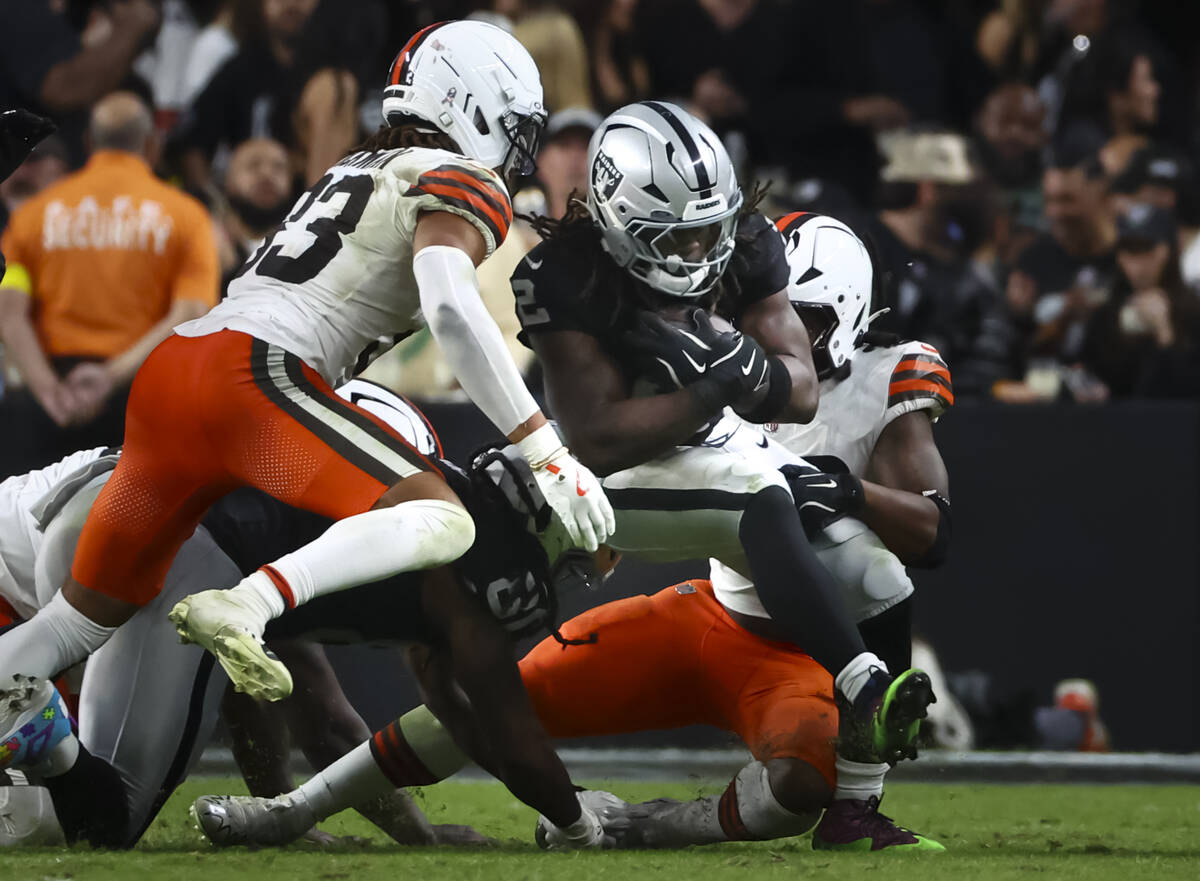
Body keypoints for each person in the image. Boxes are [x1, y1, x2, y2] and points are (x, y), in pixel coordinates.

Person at [0, 25, 614, 852]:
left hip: (175, 381)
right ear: (474, 107)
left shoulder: (350, 169)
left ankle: (39, 727)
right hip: (247, 382)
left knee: (62, 649)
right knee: (443, 515)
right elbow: (447, 300)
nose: (518, 149)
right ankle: (245, 603)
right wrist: (544, 446)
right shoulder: (455, 175)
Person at [187, 218, 949, 852]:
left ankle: (688, 822)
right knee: (497, 699)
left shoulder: (884, 381)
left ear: (843, 313)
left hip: (791, 655)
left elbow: (928, 533)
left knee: (816, 748)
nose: (762, 326)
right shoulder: (713, 344)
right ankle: (295, 809)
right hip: (704, 612)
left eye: (798, 317)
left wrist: (846, 487)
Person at [510, 101, 933, 762]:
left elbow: (799, 391)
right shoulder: (564, 273)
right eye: (677, 235)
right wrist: (716, 386)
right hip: (593, 472)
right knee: (483, 675)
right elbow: (595, 437)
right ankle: (861, 681)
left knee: (872, 568)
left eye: (709, 230)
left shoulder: (750, 240)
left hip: (715, 446)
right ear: (620, 221)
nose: (699, 251)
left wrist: (738, 369)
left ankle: (862, 782)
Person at [0, 381, 574, 847]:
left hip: (81, 515)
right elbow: (325, 714)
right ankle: (52, 742)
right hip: (124, 553)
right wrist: (577, 822)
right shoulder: (382, 529)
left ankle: (43, 736)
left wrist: (280, 808)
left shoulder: (272, 472)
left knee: (36, 810)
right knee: (96, 817)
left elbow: (267, 686)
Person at [0, 92, 220, 477]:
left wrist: (47, 389)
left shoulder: (32, 216)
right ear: (151, 145)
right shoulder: (187, 215)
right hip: (138, 400)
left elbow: (9, 314)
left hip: (45, 407)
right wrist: (110, 378)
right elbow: (192, 313)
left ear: (88, 143)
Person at [866, 130, 1012, 397]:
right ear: (929, 190)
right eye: (962, 191)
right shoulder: (860, 244)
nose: (974, 205)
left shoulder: (953, 265)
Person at [1081, 203, 1200, 398]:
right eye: (1128, 252)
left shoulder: (1193, 311)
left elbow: (1190, 390)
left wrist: (1165, 332)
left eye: (1145, 250)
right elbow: (1090, 372)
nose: (1136, 263)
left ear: (1166, 251)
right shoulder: (1107, 314)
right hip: (1115, 424)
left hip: (1176, 424)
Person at [215, 137, 294, 292]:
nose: (266, 175)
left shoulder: (307, 249)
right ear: (228, 180)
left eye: (278, 168)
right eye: (253, 166)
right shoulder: (206, 243)